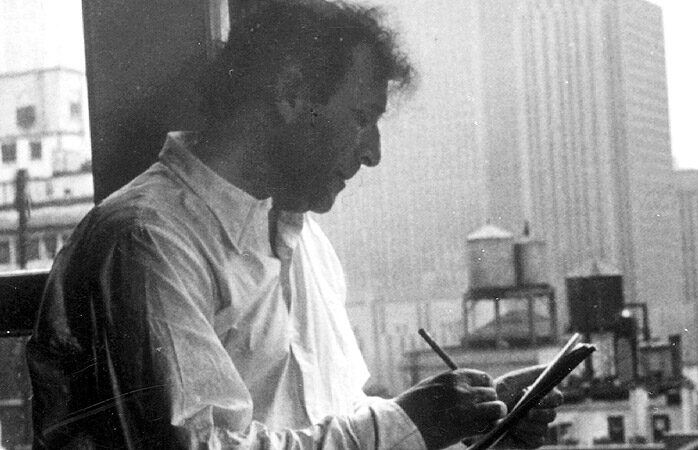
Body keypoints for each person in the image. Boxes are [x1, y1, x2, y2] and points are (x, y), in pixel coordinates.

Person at [26, 2, 561, 449]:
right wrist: (405, 424)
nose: (373, 153)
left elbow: (335, 419)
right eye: (362, 118)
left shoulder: (308, 244)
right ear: (290, 94)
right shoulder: (146, 242)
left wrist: (471, 428)